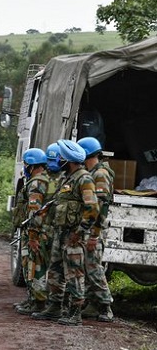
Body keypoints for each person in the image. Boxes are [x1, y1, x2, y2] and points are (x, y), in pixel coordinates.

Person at [32, 139, 99, 326]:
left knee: (74, 273)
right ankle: (54, 307)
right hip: (61, 233)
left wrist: (80, 232)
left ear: (68, 160)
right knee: (55, 271)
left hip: (74, 235)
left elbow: (92, 209)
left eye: (61, 157)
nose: (58, 159)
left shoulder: (84, 179)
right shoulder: (66, 179)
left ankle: (75, 312)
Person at [77, 136, 115, 322]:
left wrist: (94, 235)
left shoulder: (100, 174)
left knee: (93, 268)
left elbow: (101, 207)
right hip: (92, 228)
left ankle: (106, 306)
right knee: (88, 266)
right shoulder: (93, 171)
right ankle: (92, 305)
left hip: (95, 229)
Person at [14, 148, 50, 315]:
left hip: (36, 232)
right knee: (31, 266)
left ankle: (38, 302)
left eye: (26, 165)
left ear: (32, 166)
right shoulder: (43, 180)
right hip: (37, 231)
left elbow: (34, 212)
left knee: (34, 267)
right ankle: (32, 300)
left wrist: (33, 236)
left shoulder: (36, 183)